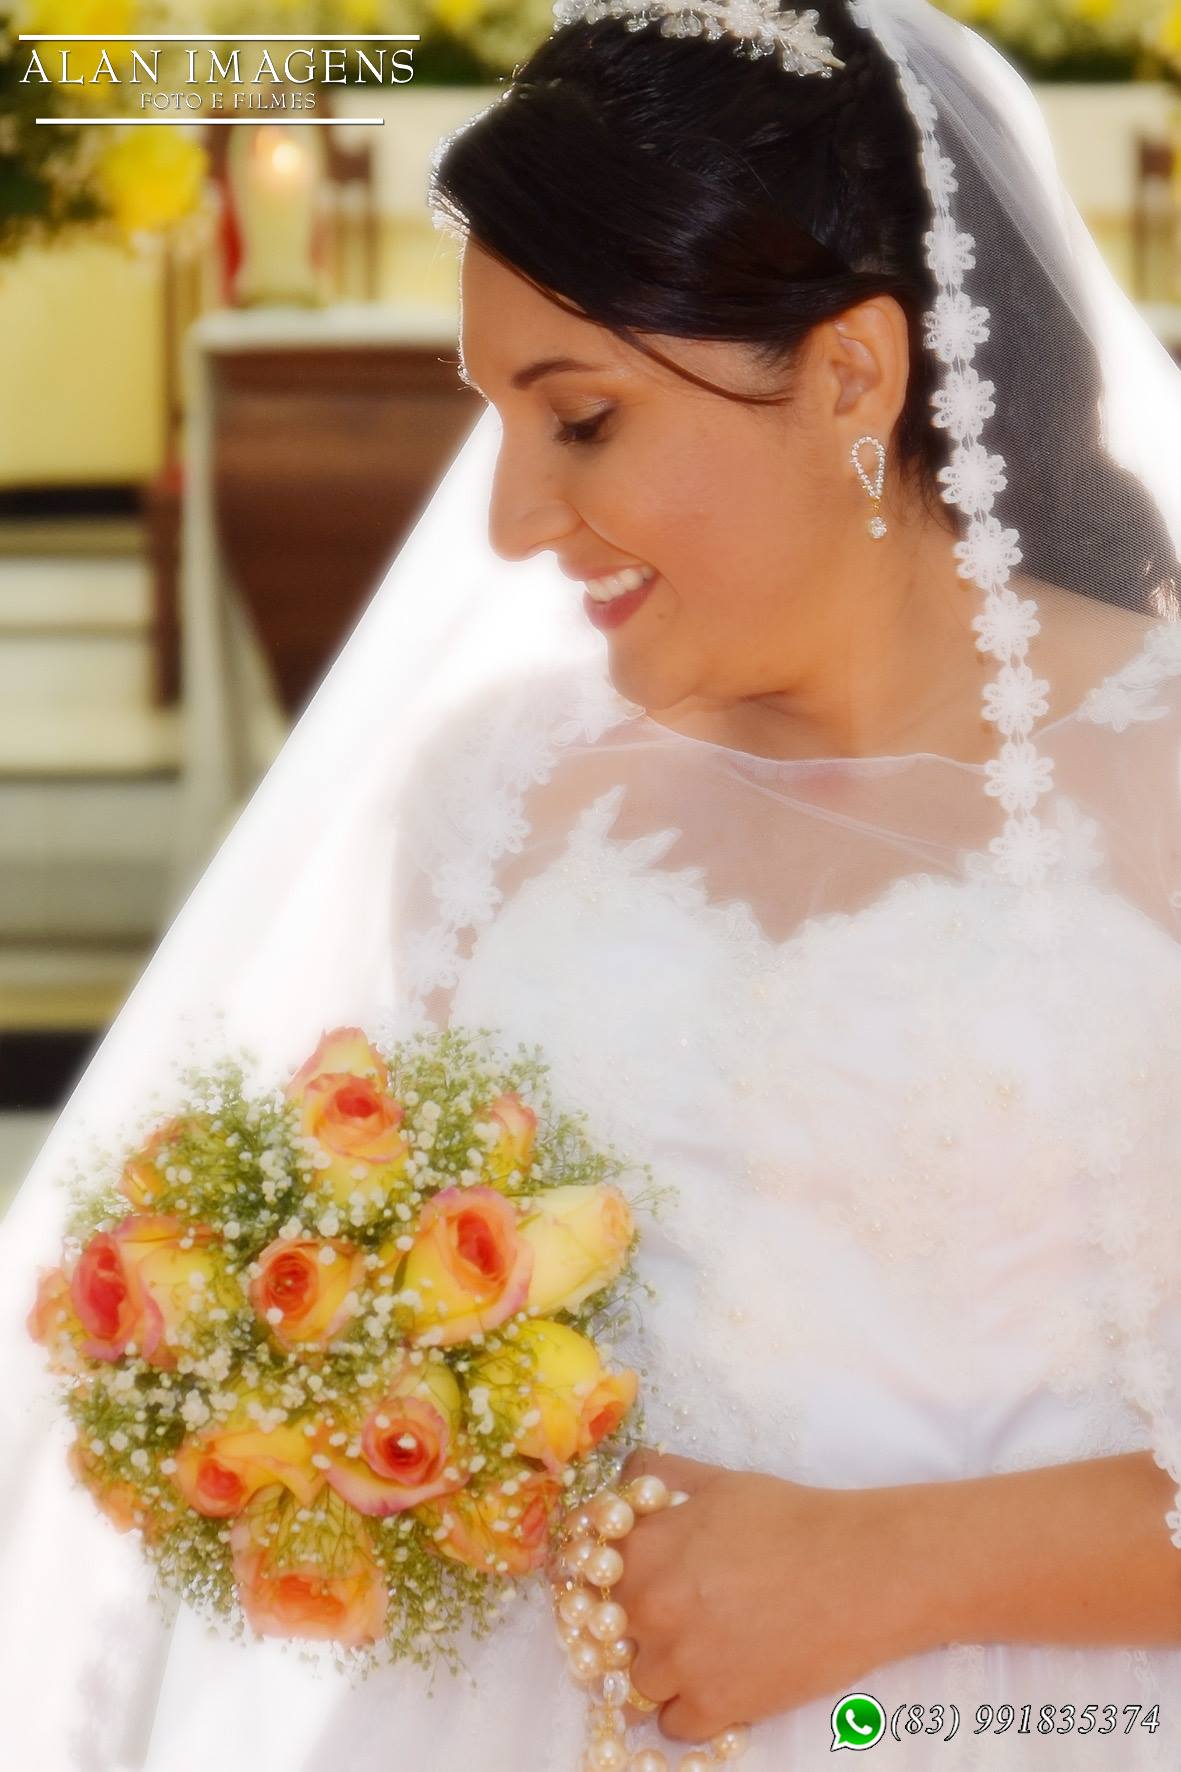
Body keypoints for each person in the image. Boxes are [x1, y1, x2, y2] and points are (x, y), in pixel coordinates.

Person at [5, 0, 1181, 1766]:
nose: (508, 524)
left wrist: (895, 1571)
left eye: (581, 420)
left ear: (853, 376)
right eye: (495, 419)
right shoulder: (496, 792)